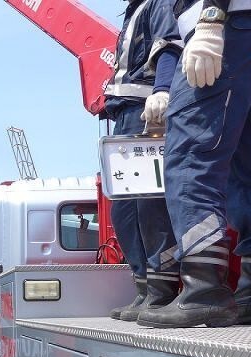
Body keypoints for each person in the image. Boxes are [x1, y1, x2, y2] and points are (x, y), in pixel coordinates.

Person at [138, 0, 251, 328]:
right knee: (250, 166)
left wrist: (211, 19)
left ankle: (204, 289)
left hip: (224, 25)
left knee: (190, 157)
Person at [104, 0, 183, 322]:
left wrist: (162, 90)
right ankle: (144, 287)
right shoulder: (134, 11)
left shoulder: (158, 3)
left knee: (149, 204)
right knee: (124, 208)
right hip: (124, 115)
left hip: (144, 112)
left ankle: (161, 289)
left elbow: (169, 45)